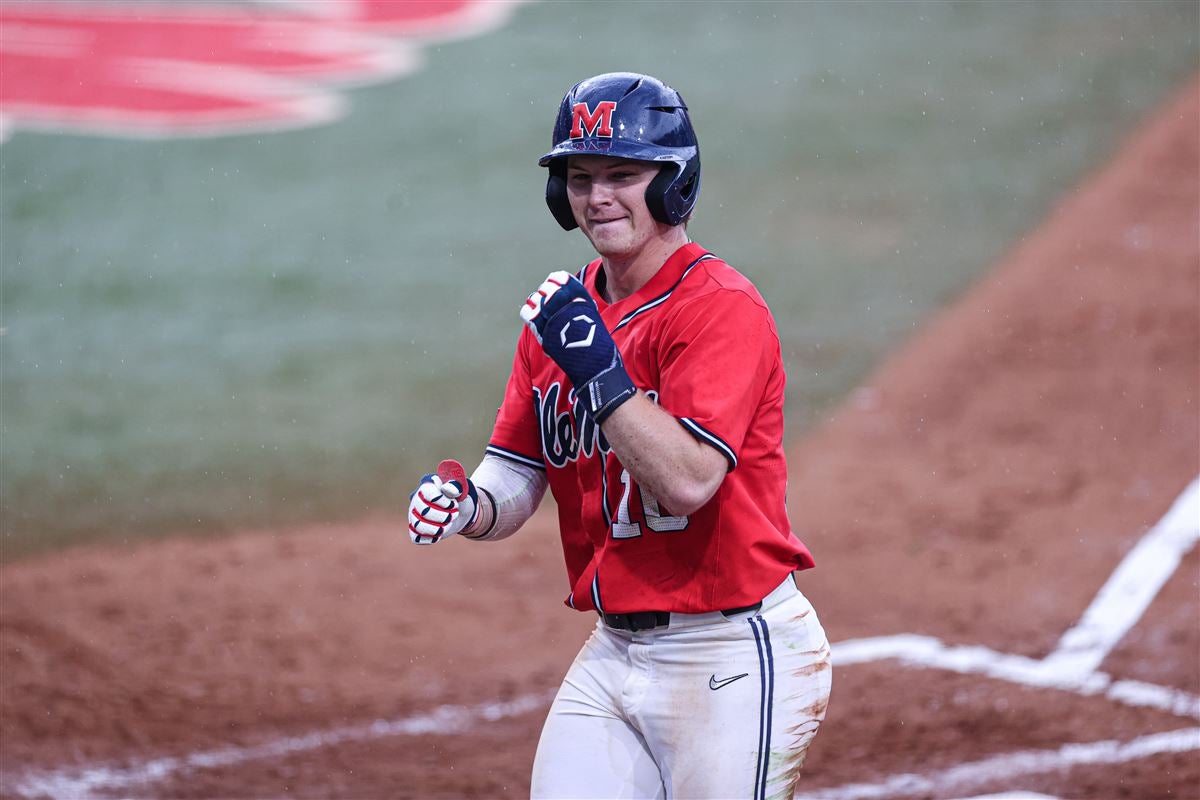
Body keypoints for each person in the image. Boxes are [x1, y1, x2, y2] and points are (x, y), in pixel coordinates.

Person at [406, 72, 832, 799]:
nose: (597, 195)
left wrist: (598, 367)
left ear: (673, 182)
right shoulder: (562, 324)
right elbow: (516, 475)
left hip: (730, 651)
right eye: (579, 177)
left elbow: (690, 480)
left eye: (622, 175)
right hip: (615, 650)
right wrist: (469, 505)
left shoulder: (719, 308)